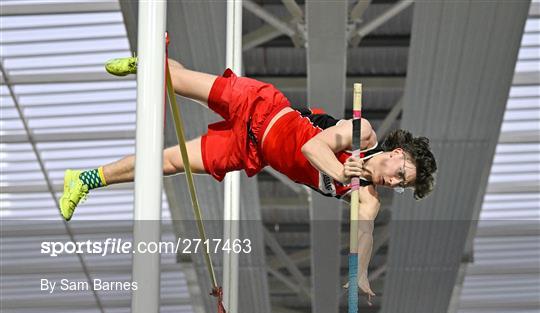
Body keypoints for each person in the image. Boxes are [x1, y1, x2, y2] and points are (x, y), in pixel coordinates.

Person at [60, 57, 437, 298]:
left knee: (169, 164)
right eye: (401, 173)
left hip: (250, 151)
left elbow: (364, 233)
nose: (396, 182)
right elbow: (312, 149)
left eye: (403, 185)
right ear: (396, 154)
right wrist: (342, 170)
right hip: (261, 106)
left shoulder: (367, 198)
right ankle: (148, 59)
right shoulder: (363, 135)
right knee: (173, 81)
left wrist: (361, 271)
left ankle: (84, 179)